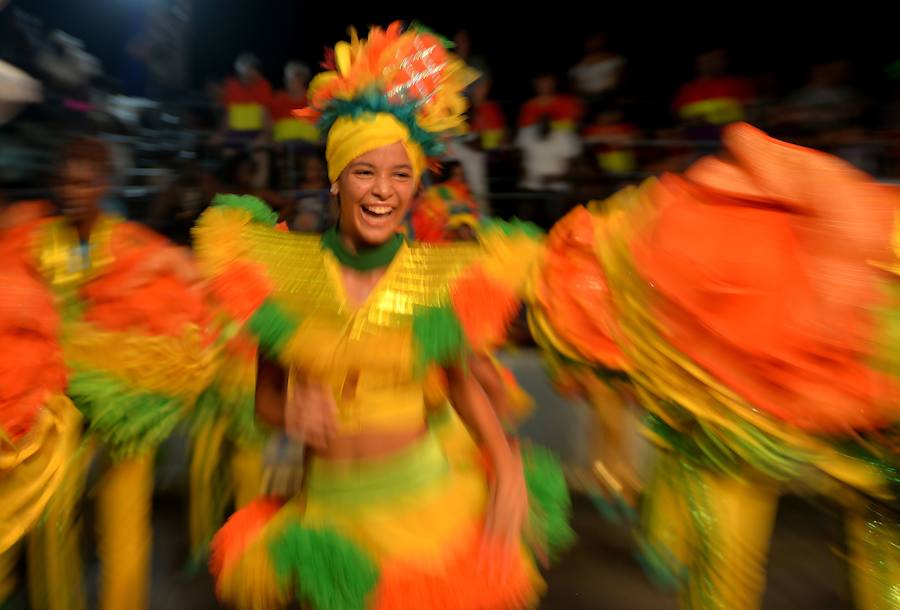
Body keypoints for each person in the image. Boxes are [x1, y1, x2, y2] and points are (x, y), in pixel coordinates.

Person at [196, 22, 571, 610]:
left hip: (421, 509)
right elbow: (265, 400)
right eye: (364, 171)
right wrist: (291, 413)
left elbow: (462, 388)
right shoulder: (284, 275)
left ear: (416, 184)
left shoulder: (436, 278)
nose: (383, 192)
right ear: (335, 179)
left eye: (401, 175)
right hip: (328, 513)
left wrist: (507, 468)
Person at [527, 122, 900, 610]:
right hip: (740, 367)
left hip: (760, 373)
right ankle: (662, 542)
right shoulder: (662, 255)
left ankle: (664, 542)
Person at [5, 136, 212, 610]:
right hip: (58, 401)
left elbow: (173, 299)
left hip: (125, 400)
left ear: (102, 184)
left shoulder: (130, 243)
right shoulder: (34, 240)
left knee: (123, 517)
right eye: (66, 181)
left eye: (84, 181)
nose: (74, 191)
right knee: (53, 514)